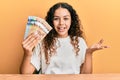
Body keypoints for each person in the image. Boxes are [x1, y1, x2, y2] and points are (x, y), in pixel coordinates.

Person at [20, 2, 109, 74]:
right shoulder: (42, 42)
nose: (61, 23)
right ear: (51, 21)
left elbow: (85, 76)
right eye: (56, 19)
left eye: (66, 18)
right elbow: (25, 74)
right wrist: (27, 54)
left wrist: (89, 53)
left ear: (72, 21)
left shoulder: (79, 41)